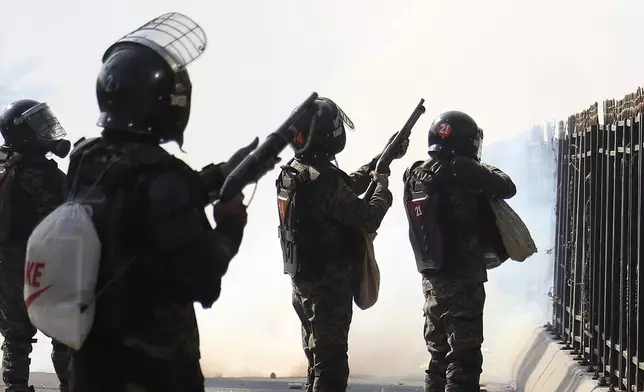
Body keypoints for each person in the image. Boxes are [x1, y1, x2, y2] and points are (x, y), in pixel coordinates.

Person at [65, 13, 277, 392]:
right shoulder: (165, 176)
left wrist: (223, 173)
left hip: (92, 358)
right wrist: (230, 223)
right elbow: (203, 280)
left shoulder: (86, 159)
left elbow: (137, 200)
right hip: (153, 367)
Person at [276, 97, 407, 392]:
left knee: (317, 361)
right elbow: (368, 217)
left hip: (304, 282)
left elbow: (346, 187)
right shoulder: (324, 179)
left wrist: (381, 159)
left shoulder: (295, 172)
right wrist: (383, 187)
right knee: (331, 368)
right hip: (327, 287)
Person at [402, 111, 516, 392]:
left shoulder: (415, 172)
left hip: (432, 281)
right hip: (463, 280)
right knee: (463, 363)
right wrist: (471, 164)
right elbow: (506, 186)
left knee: (438, 359)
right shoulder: (462, 173)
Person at [0, 99, 72, 392]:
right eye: (38, 122)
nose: (47, 127)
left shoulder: (8, 174)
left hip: (10, 268)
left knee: (17, 337)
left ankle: (16, 387)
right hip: (46, 266)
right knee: (65, 334)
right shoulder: (50, 179)